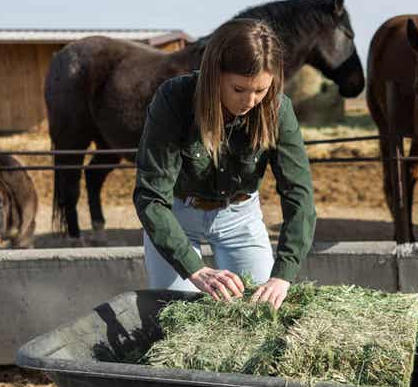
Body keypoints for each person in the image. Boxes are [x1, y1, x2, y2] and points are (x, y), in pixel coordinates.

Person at [133, 18, 316, 309]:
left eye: (261, 90)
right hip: (178, 217)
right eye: (239, 89)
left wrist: (283, 274)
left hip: (240, 219)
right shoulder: (173, 99)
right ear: (214, 74)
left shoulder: (279, 110)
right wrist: (195, 268)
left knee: (259, 313)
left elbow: (299, 195)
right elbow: (151, 197)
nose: (250, 101)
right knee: (174, 315)